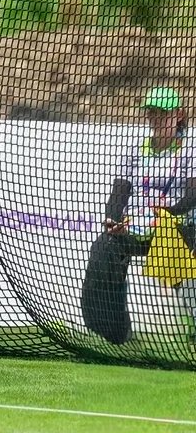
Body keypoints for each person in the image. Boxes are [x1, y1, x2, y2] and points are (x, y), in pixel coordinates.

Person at [83, 86, 196, 344]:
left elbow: (193, 195)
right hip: (139, 227)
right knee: (105, 247)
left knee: (186, 265)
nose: (156, 119)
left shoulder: (189, 150)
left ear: (178, 115)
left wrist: (169, 213)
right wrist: (113, 218)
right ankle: (114, 330)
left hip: (178, 228)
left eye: (162, 114)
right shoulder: (135, 151)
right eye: (151, 113)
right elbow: (120, 192)